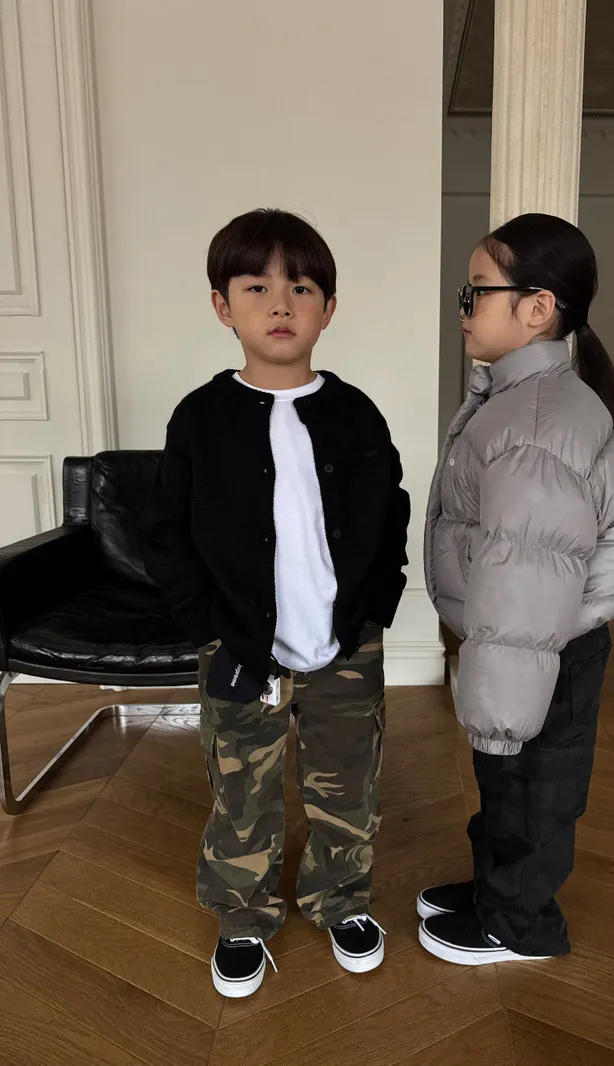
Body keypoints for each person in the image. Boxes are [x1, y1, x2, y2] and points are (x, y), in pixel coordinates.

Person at [139, 208, 410, 997]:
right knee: (241, 791)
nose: (281, 304)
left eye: (302, 288)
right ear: (223, 306)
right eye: (257, 287)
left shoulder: (355, 413)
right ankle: (242, 915)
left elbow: (390, 511)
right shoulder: (200, 418)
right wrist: (208, 630)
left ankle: (341, 899)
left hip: (344, 646)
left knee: (348, 785)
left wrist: (376, 607)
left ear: (329, 308)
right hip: (238, 647)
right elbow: (166, 535)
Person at [418, 212, 614, 966]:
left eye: (476, 290)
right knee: (511, 779)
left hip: (538, 640)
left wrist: (497, 706)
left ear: (537, 308)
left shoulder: (535, 423)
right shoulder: (523, 400)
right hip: (537, 637)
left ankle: (518, 925)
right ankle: (497, 891)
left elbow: (525, 577)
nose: (463, 307)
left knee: (530, 783)